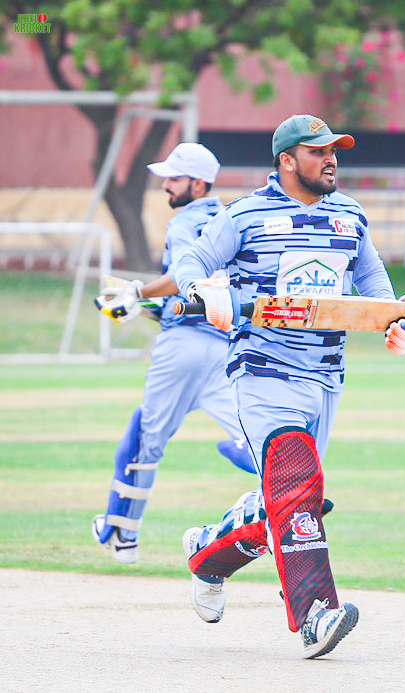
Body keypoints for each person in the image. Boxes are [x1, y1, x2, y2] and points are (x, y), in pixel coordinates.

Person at [170, 115, 405, 659]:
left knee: (288, 504)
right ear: (286, 160)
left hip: (326, 377)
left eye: (334, 150)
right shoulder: (244, 214)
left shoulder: (350, 215)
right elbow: (193, 259)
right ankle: (315, 615)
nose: (331, 159)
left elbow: (374, 284)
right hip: (263, 372)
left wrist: (399, 321)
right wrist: (205, 290)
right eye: (317, 151)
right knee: (294, 483)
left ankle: (208, 553)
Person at [92, 142, 256, 565]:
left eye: (175, 178)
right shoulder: (232, 219)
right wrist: (150, 304)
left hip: (182, 345)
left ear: (198, 184)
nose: (166, 185)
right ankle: (279, 515)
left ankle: (122, 535)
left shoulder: (184, 221)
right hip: (225, 346)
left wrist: (137, 292)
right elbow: (211, 288)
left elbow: (186, 276)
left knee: (145, 439)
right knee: (260, 441)